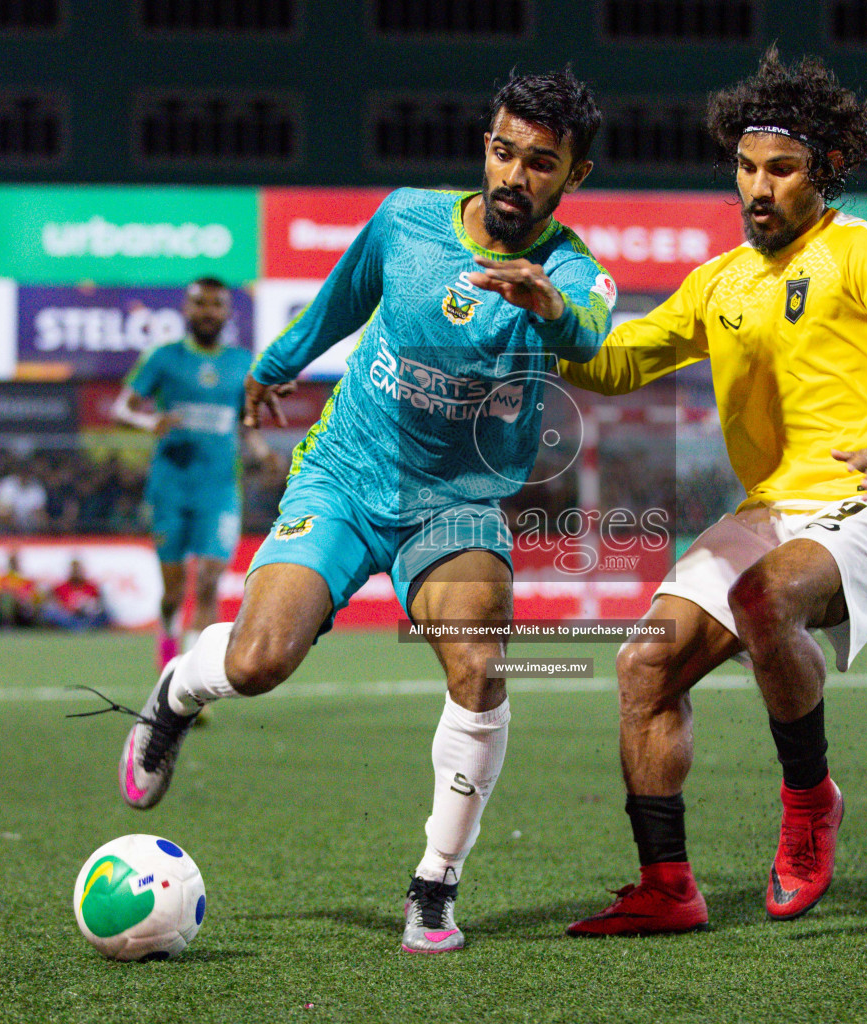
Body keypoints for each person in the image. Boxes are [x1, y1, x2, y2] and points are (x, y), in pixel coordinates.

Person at [83, 67, 612, 954]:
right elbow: (342, 297)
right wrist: (275, 365)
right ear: (487, 145)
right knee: (256, 665)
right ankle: (176, 692)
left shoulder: (573, 271)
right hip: (347, 475)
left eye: (542, 162)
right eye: (505, 151)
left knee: (480, 668)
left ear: (573, 176)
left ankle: (435, 886)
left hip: (460, 502)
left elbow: (590, 332)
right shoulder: (408, 217)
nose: (516, 175)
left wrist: (547, 303)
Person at [556, 48, 867, 935]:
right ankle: (667, 885)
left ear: (827, 171)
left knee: (766, 595)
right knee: (646, 665)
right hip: (773, 506)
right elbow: (619, 360)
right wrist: (548, 323)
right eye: (746, 168)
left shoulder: (865, 252)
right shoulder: (719, 282)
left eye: (782, 169)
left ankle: (810, 801)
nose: (758, 187)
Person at [113, 277, 269, 668]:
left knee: (209, 579)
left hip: (218, 489)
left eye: (216, 304)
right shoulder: (162, 358)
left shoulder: (241, 362)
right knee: (173, 590)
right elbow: (121, 409)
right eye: (200, 303)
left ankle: (193, 674)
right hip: (171, 486)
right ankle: (167, 648)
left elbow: (246, 423)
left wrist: (261, 451)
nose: (208, 311)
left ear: (228, 311)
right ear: (186, 309)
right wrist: (150, 423)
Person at [41, 558, 112, 631]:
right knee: (50, 613)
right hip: (67, 617)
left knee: (106, 612)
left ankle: (82, 628)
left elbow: (99, 604)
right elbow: (53, 603)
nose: (76, 573)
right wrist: (67, 609)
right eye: (74, 570)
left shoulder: (92, 587)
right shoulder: (60, 587)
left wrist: (87, 607)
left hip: (86, 617)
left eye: (78, 570)